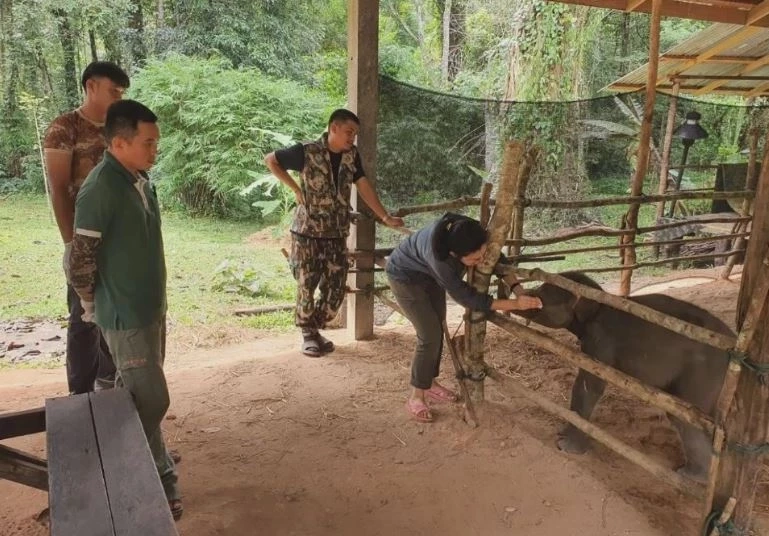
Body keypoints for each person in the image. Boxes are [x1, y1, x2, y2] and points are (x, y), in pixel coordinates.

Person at [69, 100, 182, 519]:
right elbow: (80, 258)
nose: (155, 150)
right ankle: (135, 467)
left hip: (150, 308)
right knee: (150, 400)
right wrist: (88, 301)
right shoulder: (100, 188)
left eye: (156, 142)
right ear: (119, 142)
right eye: (148, 143)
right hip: (125, 315)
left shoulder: (139, 178)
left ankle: (153, 469)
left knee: (133, 394)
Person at [264, 108, 404, 357]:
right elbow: (271, 160)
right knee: (307, 285)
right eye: (349, 132)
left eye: (355, 134)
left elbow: (363, 186)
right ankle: (308, 334)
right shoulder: (306, 151)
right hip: (307, 232)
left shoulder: (351, 156)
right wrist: (296, 189)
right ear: (334, 128)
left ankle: (315, 328)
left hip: (336, 232)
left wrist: (384, 216)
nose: (352, 138)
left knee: (336, 289)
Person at [385, 213, 543, 423]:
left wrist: (518, 290)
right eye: (474, 260)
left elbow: (495, 258)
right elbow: (469, 299)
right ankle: (416, 396)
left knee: (438, 326)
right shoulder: (442, 262)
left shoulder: (468, 231)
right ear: (454, 254)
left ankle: (429, 383)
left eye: (482, 254)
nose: (480, 262)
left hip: (428, 275)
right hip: (405, 277)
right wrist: (515, 305)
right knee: (429, 334)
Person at [44, 61, 130, 394]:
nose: (118, 98)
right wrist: (70, 244)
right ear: (91, 86)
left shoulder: (119, 129)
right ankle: (79, 397)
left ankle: (112, 387)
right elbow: (60, 188)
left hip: (121, 237)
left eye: (122, 93)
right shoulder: (65, 127)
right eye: (114, 91)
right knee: (83, 318)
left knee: (119, 313)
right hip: (85, 238)